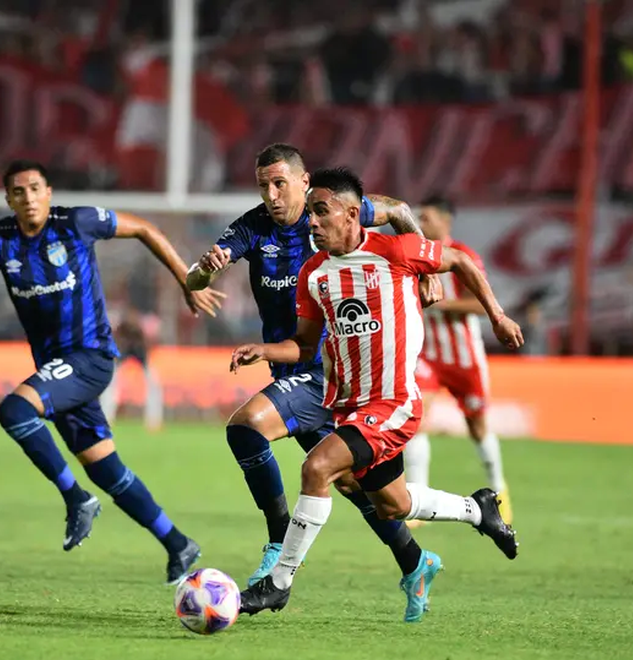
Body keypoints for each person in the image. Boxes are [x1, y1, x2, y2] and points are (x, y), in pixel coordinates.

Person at [229, 167, 524, 616]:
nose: (312, 222)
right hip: (348, 408)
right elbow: (305, 345)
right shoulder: (314, 274)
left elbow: (461, 260)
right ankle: (477, 509)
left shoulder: (397, 250)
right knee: (393, 505)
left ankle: (278, 581)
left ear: (351, 215)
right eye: (310, 213)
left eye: (321, 212)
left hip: (394, 403)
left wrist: (497, 317)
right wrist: (263, 350)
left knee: (317, 468)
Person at [186, 143, 444, 622]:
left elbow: (401, 211)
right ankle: (416, 562)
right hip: (295, 369)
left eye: (280, 183)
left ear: (305, 183)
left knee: (245, 427)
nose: (271, 194)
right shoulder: (250, 228)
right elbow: (194, 280)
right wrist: (202, 272)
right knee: (355, 486)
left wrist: (425, 275)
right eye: (263, 184)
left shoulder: (331, 214)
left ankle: (277, 541)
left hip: (329, 370)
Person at [0, 159, 224, 583]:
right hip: (56, 370)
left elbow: (145, 230)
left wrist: (186, 277)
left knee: (14, 411)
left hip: (90, 357)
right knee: (105, 468)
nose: (28, 198)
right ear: (8, 199)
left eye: (36, 188)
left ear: (49, 192)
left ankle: (76, 498)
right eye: (18, 192)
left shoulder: (76, 223)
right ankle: (178, 544)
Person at [401, 195, 513, 527]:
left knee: (478, 428)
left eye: (427, 218)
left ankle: (499, 490)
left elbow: (480, 305)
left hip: (465, 360)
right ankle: (417, 500)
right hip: (429, 358)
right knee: (416, 421)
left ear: (446, 221)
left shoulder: (464, 257)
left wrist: (442, 305)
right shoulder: (414, 255)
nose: (421, 223)